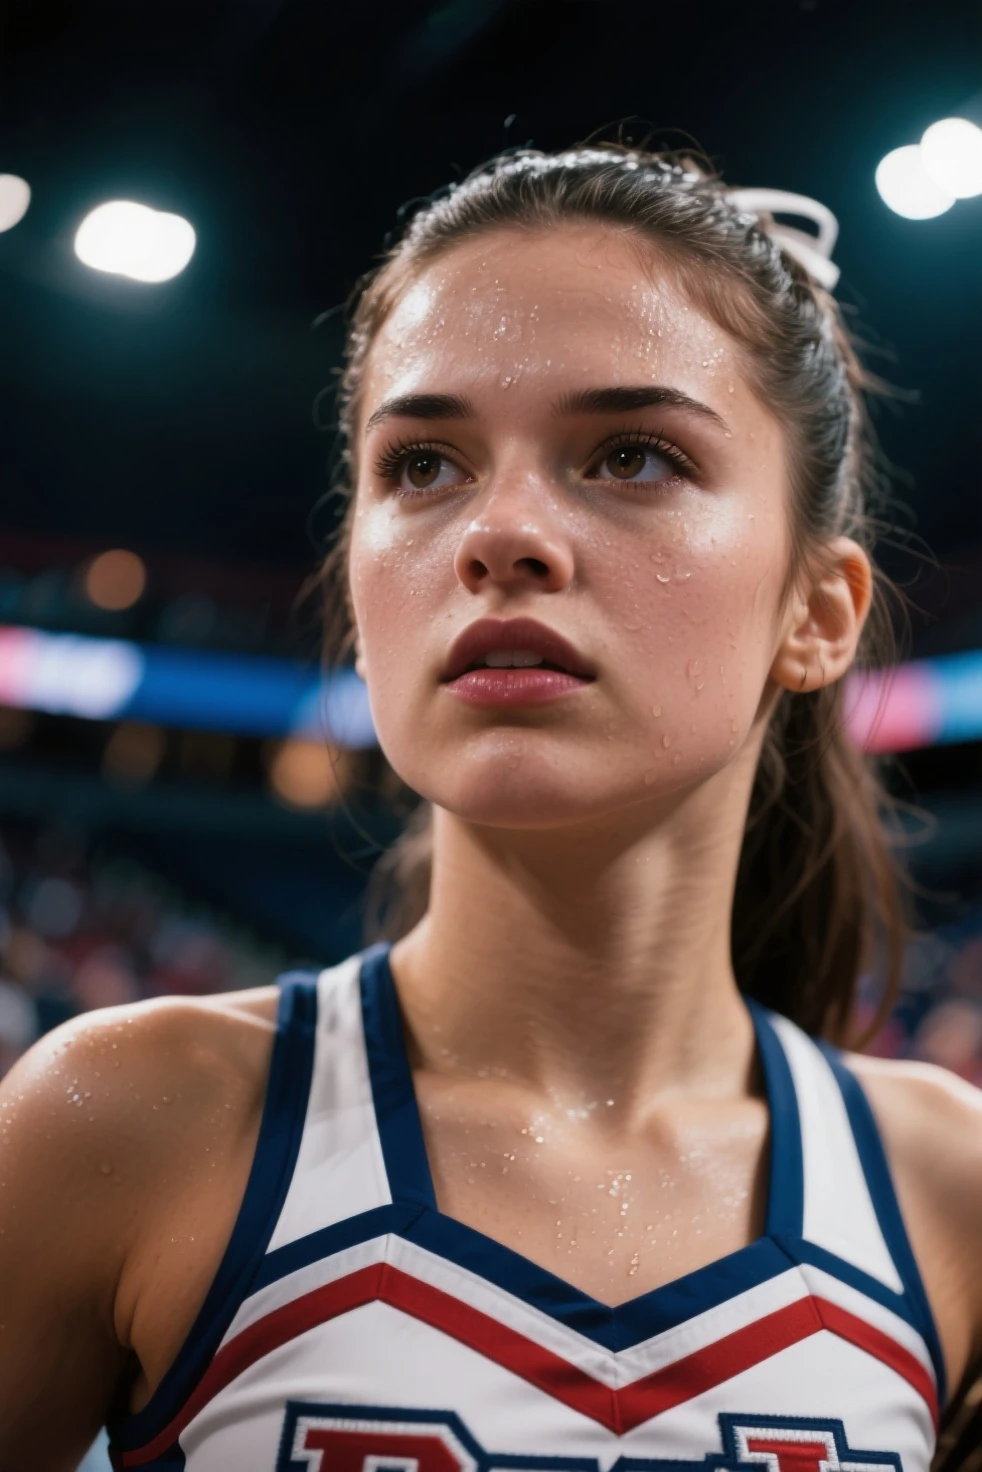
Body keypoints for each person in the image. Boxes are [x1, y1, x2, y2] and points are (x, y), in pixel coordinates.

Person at [1, 142, 980, 1472]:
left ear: (816, 614)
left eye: (632, 455)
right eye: (421, 465)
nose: (497, 530)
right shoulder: (120, 1121)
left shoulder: (950, 1190)